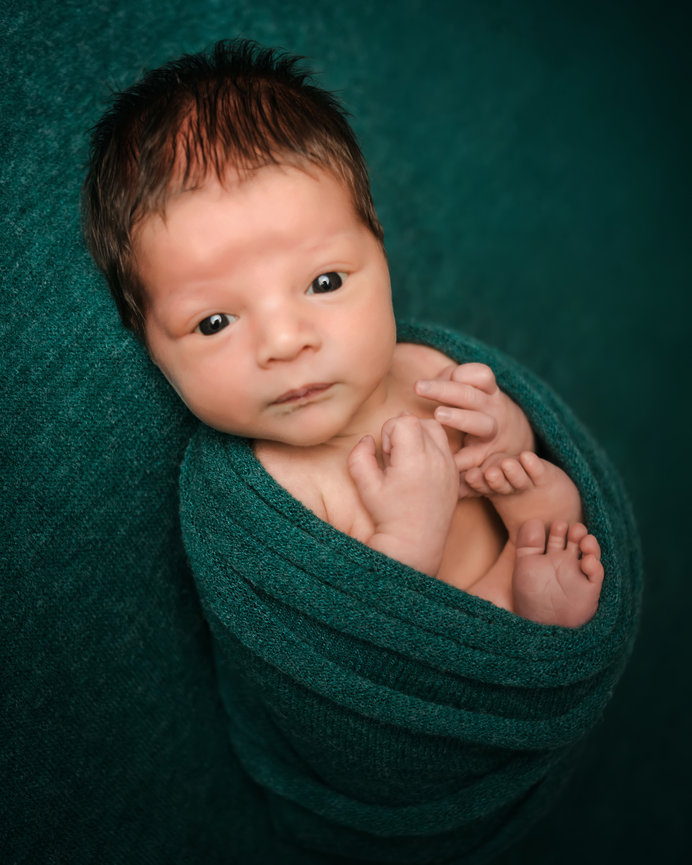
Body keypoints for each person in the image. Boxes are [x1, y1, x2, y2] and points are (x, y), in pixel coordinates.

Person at [83, 38, 603, 628]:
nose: (285, 343)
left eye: (325, 281)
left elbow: (511, 450)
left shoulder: (429, 372)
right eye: (214, 322)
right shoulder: (275, 495)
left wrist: (502, 441)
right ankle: (521, 614)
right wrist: (409, 534)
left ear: (378, 246)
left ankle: (534, 572)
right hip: (431, 661)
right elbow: (344, 639)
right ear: (145, 340)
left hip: (515, 559)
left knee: (547, 492)